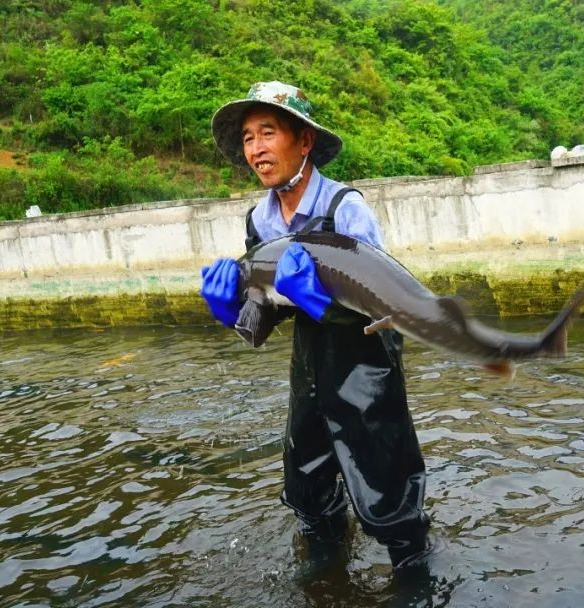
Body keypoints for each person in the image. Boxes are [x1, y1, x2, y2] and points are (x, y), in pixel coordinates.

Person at [200, 81, 431, 570]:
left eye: (268, 133)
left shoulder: (344, 209)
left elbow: (383, 305)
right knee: (308, 486)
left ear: (303, 141)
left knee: (388, 492)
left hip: (366, 367)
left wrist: (324, 302)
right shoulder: (260, 222)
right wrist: (233, 312)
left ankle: (413, 573)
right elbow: (263, 320)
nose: (256, 149)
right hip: (309, 367)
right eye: (247, 138)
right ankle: (327, 580)